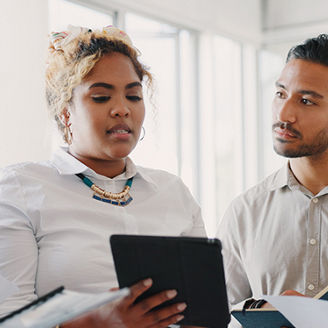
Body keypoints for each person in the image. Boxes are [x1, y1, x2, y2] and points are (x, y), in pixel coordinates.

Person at [0, 25, 205, 327]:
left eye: (133, 96)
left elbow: (203, 308)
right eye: (100, 97)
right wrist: (96, 323)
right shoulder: (20, 188)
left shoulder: (172, 192)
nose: (122, 109)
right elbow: (8, 318)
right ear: (66, 112)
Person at [217, 33, 328, 321]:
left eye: (306, 101)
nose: (284, 113)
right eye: (280, 93)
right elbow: (218, 316)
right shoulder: (245, 212)